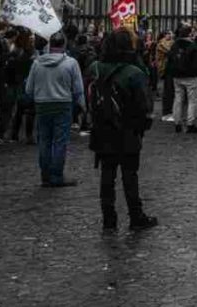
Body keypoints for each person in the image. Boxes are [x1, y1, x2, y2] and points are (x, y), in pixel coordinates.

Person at [88, 28, 158, 231]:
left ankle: (108, 219)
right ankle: (136, 216)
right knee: (130, 175)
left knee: (107, 175)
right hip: (128, 129)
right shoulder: (134, 73)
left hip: (102, 129)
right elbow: (144, 106)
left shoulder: (95, 68)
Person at [24, 32, 85, 187]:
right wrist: (83, 105)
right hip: (63, 104)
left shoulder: (37, 63)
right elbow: (78, 88)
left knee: (44, 140)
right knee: (60, 141)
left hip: (42, 104)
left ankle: (45, 175)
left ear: (50, 45)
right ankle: (56, 175)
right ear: (64, 45)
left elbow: (29, 89)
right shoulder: (71, 63)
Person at [162, 26, 197, 133]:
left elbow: (169, 59)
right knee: (192, 100)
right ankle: (190, 124)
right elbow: (196, 63)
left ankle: (177, 122)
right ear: (189, 34)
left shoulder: (175, 45)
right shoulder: (193, 46)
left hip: (176, 75)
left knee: (178, 99)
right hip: (190, 75)